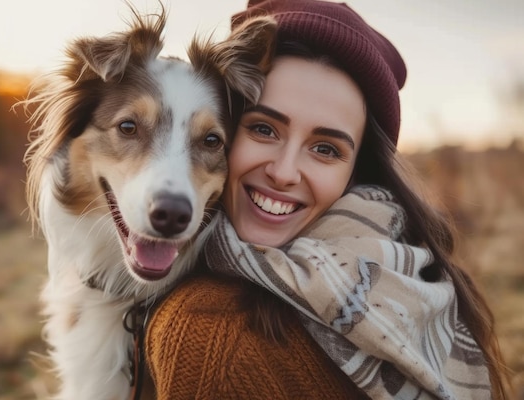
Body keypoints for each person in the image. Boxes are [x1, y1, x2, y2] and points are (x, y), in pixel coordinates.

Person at [143, 1, 509, 399]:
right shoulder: (417, 277)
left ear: (356, 172)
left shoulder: (206, 332)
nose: (284, 172)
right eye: (264, 129)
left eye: (325, 149)